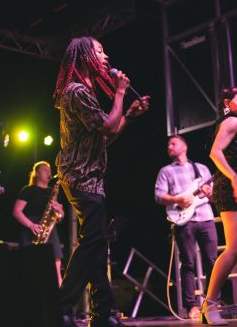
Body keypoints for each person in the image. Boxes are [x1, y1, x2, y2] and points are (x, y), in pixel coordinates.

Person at [53, 36, 150, 327]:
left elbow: (106, 137)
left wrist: (129, 116)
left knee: (96, 246)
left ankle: (101, 312)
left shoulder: (87, 92)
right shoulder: (76, 91)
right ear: (84, 56)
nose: (106, 57)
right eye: (100, 51)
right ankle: (60, 306)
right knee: (92, 241)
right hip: (80, 176)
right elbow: (108, 125)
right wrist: (120, 94)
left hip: (91, 177)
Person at [200, 88, 237, 325]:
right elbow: (215, 152)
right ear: (227, 103)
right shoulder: (231, 121)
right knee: (236, 247)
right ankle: (209, 304)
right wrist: (233, 178)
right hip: (232, 188)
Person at [155, 135, 218, 320]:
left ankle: (213, 303)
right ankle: (192, 306)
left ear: (184, 146)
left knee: (212, 262)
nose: (169, 146)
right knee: (188, 264)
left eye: (173, 143)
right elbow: (159, 196)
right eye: (168, 144)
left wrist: (210, 192)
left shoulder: (202, 168)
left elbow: (212, 195)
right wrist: (177, 199)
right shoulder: (166, 171)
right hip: (184, 221)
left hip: (205, 217)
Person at [13, 161, 64, 287]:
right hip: (32, 230)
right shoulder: (28, 190)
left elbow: (61, 217)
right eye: (45, 170)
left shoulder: (53, 192)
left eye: (50, 170)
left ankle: (59, 302)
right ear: (36, 173)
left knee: (56, 270)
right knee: (31, 271)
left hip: (50, 231)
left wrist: (59, 209)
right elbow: (16, 211)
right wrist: (31, 225)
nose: (49, 172)